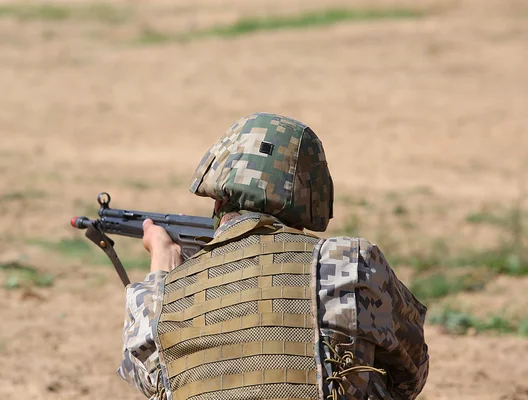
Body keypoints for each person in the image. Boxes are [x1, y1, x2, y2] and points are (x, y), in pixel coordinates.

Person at [117, 113, 429, 400]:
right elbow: (411, 373)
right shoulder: (352, 263)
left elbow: (152, 382)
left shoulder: (161, 296)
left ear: (217, 201)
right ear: (312, 200)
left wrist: (163, 268)